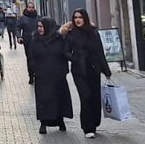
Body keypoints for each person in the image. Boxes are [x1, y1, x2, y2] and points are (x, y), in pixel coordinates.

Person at [63, 9, 111, 137]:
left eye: (80, 17)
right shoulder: (71, 34)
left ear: (85, 18)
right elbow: (65, 51)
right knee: (85, 97)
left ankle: (95, 123)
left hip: (93, 68)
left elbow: (100, 52)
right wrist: (75, 58)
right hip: (79, 70)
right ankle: (87, 127)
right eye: (75, 17)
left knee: (95, 97)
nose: (78, 20)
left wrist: (106, 70)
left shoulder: (93, 33)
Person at [30, 17, 73, 133]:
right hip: (42, 75)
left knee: (59, 99)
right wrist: (34, 71)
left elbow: (65, 53)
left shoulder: (59, 39)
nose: (39, 29)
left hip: (57, 75)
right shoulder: (36, 40)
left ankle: (60, 121)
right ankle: (43, 123)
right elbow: (32, 57)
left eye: (42, 26)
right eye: (38, 26)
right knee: (44, 100)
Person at [18, 4, 40, 83]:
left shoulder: (38, 18)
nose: (31, 9)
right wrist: (19, 37)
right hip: (27, 41)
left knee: (38, 57)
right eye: (29, 7)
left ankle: (37, 74)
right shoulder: (23, 19)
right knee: (30, 58)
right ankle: (31, 75)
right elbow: (18, 27)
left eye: (32, 7)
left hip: (38, 40)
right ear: (27, 8)